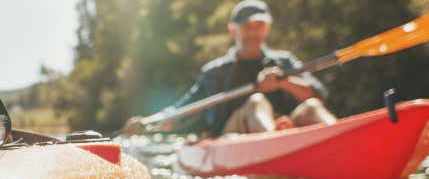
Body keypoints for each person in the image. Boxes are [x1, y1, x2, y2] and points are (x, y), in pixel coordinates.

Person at [125, 0, 336, 137]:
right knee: (256, 101)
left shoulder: (284, 61)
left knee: (312, 107)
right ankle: (275, 141)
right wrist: (148, 122)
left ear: (267, 28)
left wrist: (283, 81)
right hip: (232, 136)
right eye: (247, 27)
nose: (253, 33)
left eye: (259, 26)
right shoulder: (214, 71)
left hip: (285, 126)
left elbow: (318, 94)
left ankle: (340, 140)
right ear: (232, 30)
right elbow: (183, 110)